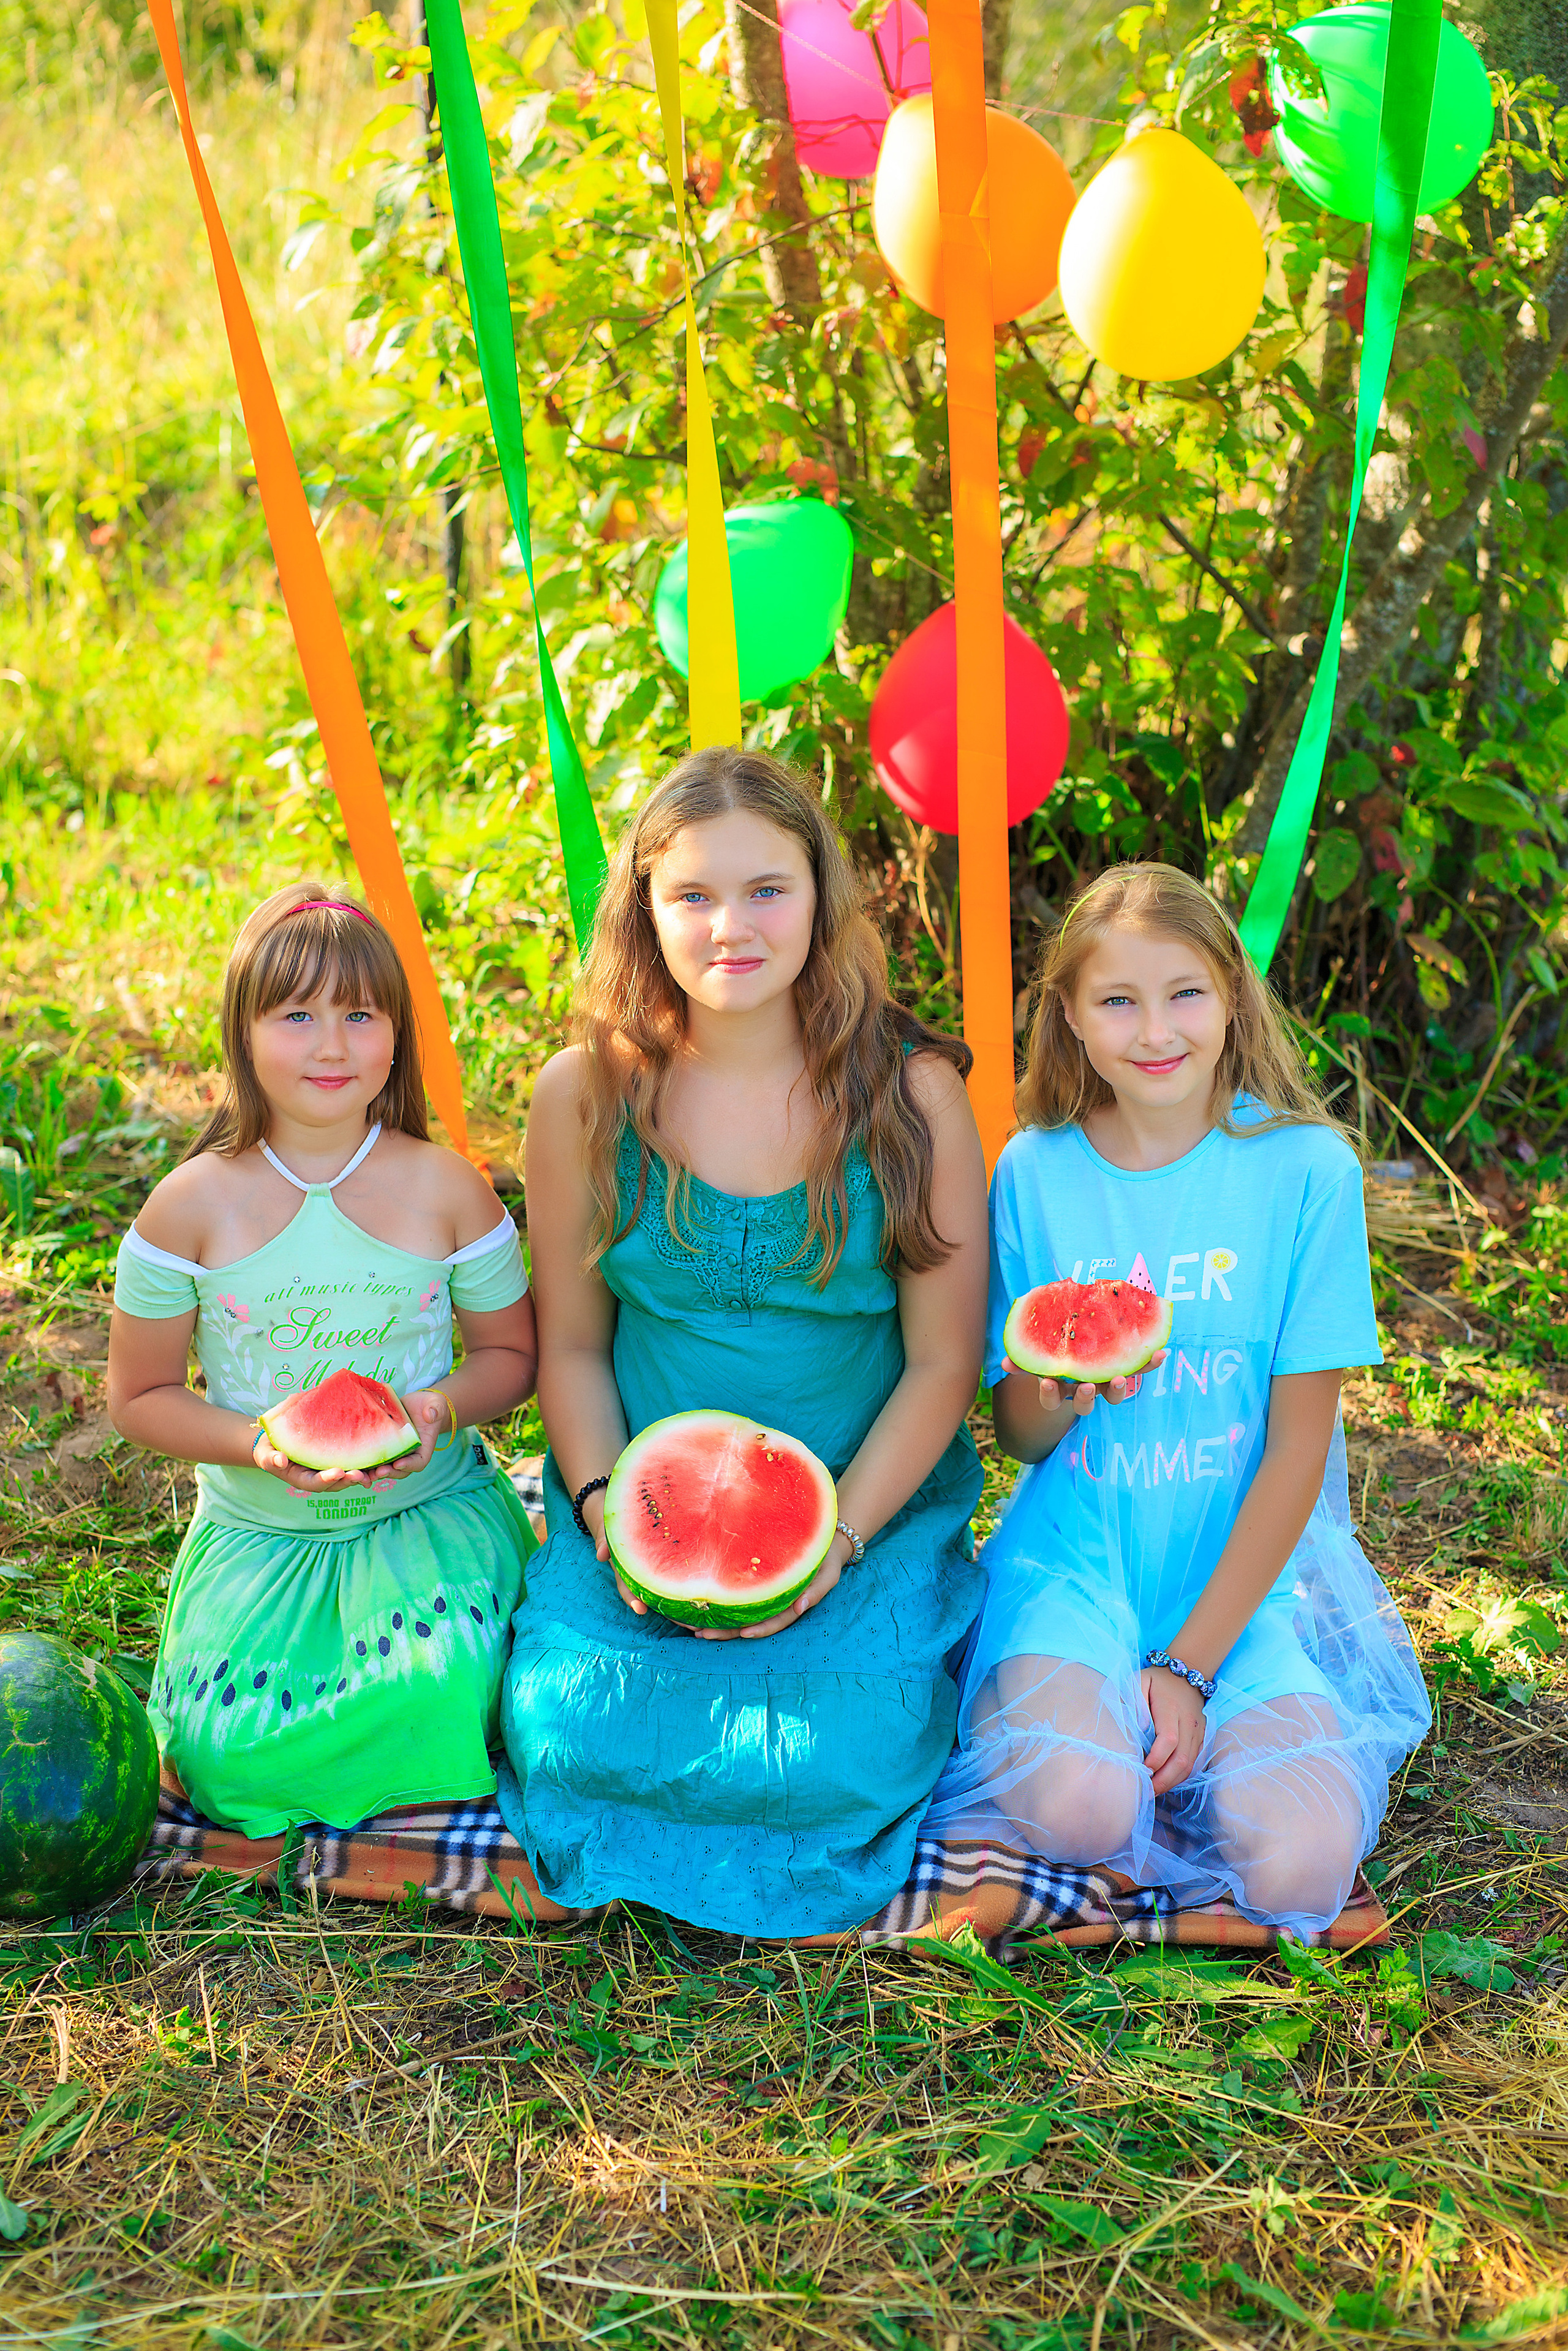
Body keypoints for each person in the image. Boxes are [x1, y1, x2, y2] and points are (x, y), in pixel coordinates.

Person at [498, 747, 988, 1937]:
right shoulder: (579, 1097)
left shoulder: (912, 1095)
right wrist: (608, 1505)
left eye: (766, 889)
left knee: (837, 1757)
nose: (732, 926)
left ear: (820, 896)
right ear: (644, 910)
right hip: (635, 1518)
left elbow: (941, 1366)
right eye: (693, 896)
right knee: (571, 1725)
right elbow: (569, 1353)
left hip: (866, 1506)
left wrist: (838, 1544)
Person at [922, 862, 1431, 1935]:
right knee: (1080, 1811)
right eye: (1118, 1000)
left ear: (1233, 997)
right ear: (1069, 1013)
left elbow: (1299, 1452)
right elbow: (1015, 1434)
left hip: (1239, 1584)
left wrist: (1187, 1668)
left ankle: (1184, 1752)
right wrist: (1058, 1389)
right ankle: (1110, 1766)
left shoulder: (1307, 1171)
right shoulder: (1033, 1170)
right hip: (1076, 1562)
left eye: (1185, 993)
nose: (1156, 1031)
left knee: (1300, 1869)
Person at [107, 886, 538, 1836]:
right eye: (296, 1015)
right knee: (226, 1749)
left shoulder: (447, 1187)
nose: (332, 1045)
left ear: (396, 1035)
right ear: (245, 1032)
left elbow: (513, 1356)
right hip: (262, 1537)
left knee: (442, 1686)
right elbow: (138, 1397)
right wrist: (251, 1440)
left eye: (359, 1014)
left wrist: (436, 1410)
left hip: (425, 1516)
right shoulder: (188, 1209)